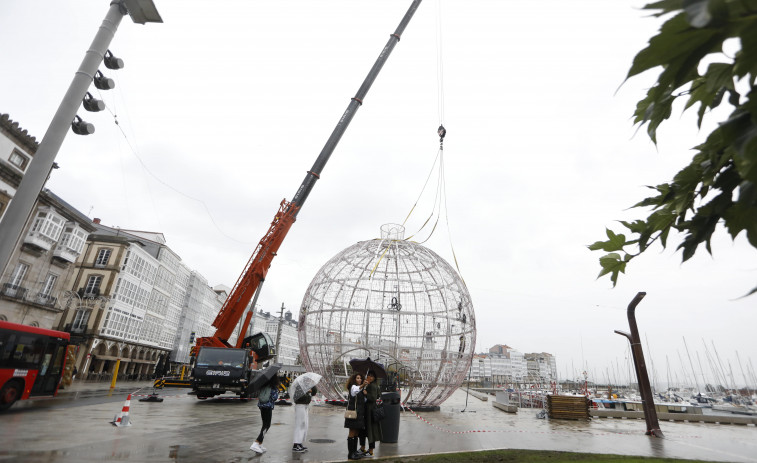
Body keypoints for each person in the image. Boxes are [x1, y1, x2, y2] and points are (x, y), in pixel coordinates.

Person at [250, 375, 279, 454]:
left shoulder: (264, 385)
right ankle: (256, 442)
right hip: (268, 407)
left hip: (262, 406)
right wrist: (277, 392)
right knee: (267, 425)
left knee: (264, 425)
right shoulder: (273, 387)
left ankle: (259, 444)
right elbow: (274, 398)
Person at [359, 370, 383, 457]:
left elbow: (373, 397)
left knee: (368, 430)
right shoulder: (372, 385)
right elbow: (378, 395)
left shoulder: (372, 386)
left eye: (372, 376)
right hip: (369, 410)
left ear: (374, 378)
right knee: (368, 430)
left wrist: (366, 394)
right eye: (369, 375)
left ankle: (368, 450)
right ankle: (367, 449)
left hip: (369, 411)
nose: (370, 377)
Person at [344, 372, 367, 460]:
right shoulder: (353, 387)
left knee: (356, 433)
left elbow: (363, 401)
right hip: (353, 414)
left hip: (359, 414)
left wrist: (365, 394)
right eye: (357, 378)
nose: (359, 380)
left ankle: (354, 452)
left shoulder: (361, 389)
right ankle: (350, 454)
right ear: (354, 379)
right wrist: (362, 386)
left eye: (360, 378)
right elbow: (356, 390)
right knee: (352, 433)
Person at [292, 384, 317, 452]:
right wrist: (306, 391)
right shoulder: (299, 386)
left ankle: (299, 442)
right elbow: (297, 397)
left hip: (305, 406)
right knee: (299, 424)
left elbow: (314, 393)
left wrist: (313, 387)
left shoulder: (308, 385)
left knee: (304, 425)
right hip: (300, 406)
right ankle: (296, 444)